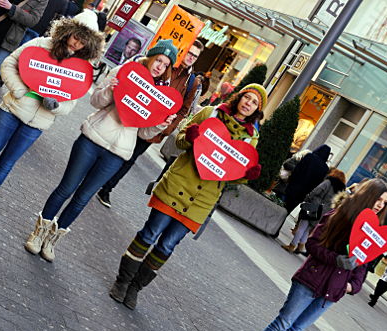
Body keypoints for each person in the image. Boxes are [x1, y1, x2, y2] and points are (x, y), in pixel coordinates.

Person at [108, 84, 267, 310]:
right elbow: (180, 139)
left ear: (257, 110)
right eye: (246, 97)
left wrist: (246, 176)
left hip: (202, 200)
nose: (248, 103)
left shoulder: (252, 138)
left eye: (254, 102)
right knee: (149, 233)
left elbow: (232, 174)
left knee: (167, 246)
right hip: (178, 184)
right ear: (239, 97)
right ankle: (122, 281)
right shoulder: (210, 113)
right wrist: (189, 137)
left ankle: (135, 288)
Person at [24, 39, 179, 262]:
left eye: (165, 65)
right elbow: (96, 101)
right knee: (66, 188)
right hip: (92, 139)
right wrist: (110, 90)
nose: (160, 67)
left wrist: (161, 124)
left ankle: (52, 240)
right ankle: (38, 233)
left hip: (118, 154)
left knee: (82, 198)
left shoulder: (159, 94)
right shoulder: (124, 71)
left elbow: (144, 133)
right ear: (150, 57)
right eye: (159, 60)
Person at [235, 178, 387, 331]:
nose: (380, 205)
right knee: (284, 323)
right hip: (311, 280)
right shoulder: (340, 215)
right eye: (378, 199)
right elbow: (312, 244)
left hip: (333, 291)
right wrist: (336, 259)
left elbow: (362, 267)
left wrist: (351, 286)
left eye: (385, 202)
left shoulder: (374, 231)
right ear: (367, 194)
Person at [0, 15, 104, 227]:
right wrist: (19, 90)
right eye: (76, 36)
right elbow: (9, 63)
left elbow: (72, 101)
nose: (77, 43)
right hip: (12, 110)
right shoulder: (40, 44)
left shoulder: (80, 67)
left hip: (37, 123)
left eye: (84, 40)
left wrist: (57, 105)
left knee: (5, 166)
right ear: (67, 31)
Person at [96, 40, 205, 208]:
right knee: (116, 147)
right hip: (136, 113)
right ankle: (97, 177)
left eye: (195, 56)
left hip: (154, 128)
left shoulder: (192, 82)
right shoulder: (165, 66)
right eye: (190, 53)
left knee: (130, 159)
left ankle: (107, 188)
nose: (191, 58)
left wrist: (167, 128)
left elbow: (184, 109)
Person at [0, 0, 71, 87]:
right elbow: (57, 18)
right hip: (34, 28)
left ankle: (1, 74)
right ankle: (3, 75)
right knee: (18, 53)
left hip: (27, 25)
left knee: (12, 50)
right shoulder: (64, 2)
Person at [282, 169, 346, 255]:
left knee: (302, 226)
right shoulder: (341, 190)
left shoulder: (328, 182)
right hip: (324, 213)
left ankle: (292, 246)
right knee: (307, 229)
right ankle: (301, 246)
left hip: (314, 207)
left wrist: (308, 199)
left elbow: (316, 191)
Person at [284, 144, 331, 213]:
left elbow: (297, 169)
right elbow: (317, 183)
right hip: (303, 193)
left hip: (293, 186)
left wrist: (290, 180)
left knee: (281, 205)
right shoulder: (325, 169)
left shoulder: (309, 156)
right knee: (288, 210)